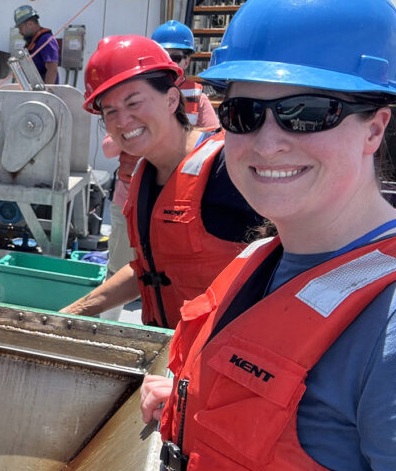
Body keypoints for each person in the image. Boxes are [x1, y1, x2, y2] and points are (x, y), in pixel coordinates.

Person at [141, 0, 396, 471]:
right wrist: (191, 394)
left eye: (308, 112)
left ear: (375, 127)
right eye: (244, 113)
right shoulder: (258, 259)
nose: (267, 143)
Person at [59, 35, 263, 328]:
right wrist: (73, 313)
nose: (122, 121)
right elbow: (150, 270)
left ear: (171, 99)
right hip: (166, 349)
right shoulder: (144, 175)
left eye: (134, 103)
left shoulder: (228, 169)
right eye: (110, 111)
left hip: (223, 356)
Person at [99, 22, 221, 287]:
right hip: (129, 196)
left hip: (182, 203)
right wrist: (137, 132)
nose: (171, 65)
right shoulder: (125, 103)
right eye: (164, 57)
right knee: (119, 268)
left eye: (176, 58)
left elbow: (211, 140)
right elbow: (108, 148)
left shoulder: (197, 98)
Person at [14, 5, 59, 83]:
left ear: (30, 24)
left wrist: (45, 93)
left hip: (43, 92)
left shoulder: (46, 40)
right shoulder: (34, 41)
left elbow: (52, 69)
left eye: (20, 28)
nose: (20, 32)